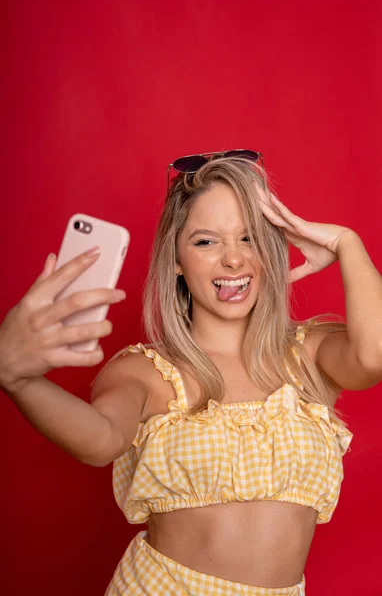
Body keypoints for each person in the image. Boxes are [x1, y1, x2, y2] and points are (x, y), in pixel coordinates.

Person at [1, 150, 381, 595]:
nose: (233, 261)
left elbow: (372, 357)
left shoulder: (307, 355)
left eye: (249, 238)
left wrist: (346, 243)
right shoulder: (147, 371)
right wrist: (17, 378)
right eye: (206, 242)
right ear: (177, 260)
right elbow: (100, 440)